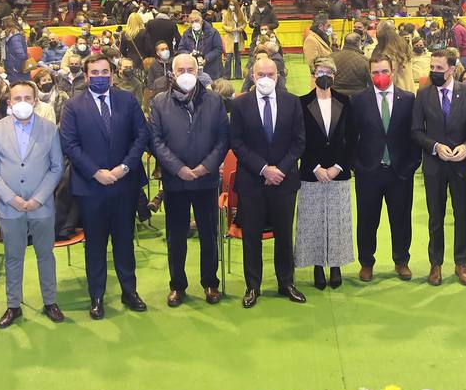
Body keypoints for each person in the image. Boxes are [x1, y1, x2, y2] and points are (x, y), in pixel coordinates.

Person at [59, 52, 150, 317]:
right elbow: (70, 145)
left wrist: (124, 167)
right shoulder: (73, 106)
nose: (100, 77)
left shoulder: (128, 100)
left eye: (104, 72)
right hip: (91, 187)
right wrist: (95, 172)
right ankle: (97, 296)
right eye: (94, 73)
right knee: (95, 245)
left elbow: (141, 135)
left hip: (125, 183)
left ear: (112, 74)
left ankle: (129, 291)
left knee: (124, 241)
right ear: (86, 77)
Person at [0, 81, 65, 328]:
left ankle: (50, 301)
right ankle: (13, 305)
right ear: (9, 103)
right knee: (13, 257)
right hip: (10, 207)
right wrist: (11, 198)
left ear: (35, 101)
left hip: (42, 206)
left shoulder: (50, 129)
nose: (22, 103)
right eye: (16, 98)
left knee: (45, 256)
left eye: (27, 98)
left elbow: (56, 167)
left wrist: (39, 198)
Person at [149, 53, 228, 307]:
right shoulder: (159, 102)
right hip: (176, 182)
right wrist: (178, 168)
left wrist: (206, 167)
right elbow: (156, 141)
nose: (185, 73)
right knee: (176, 237)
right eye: (180, 69)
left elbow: (223, 139)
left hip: (206, 182)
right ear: (172, 73)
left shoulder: (215, 100)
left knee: (209, 235)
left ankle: (210, 282)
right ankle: (177, 285)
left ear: (198, 71)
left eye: (190, 69)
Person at [229, 55, 305, 307]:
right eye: (260, 75)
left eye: (270, 75)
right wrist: (263, 169)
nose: (265, 79)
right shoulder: (240, 105)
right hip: (252, 181)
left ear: (278, 76)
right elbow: (237, 143)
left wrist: (279, 170)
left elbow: (298, 142)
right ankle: (253, 286)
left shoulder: (292, 102)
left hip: (284, 181)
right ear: (252, 76)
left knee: (284, 235)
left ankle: (286, 282)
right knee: (252, 237)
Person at [411, 49, 466, 287]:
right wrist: (435, 146)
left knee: (462, 215)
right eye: (432, 67)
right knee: (435, 216)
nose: (434, 72)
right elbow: (416, 131)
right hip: (434, 166)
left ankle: (461, 262)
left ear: (452, 69)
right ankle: (435, 263)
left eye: (439, 68)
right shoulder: (422, 95)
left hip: (461, 166)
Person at [348, 53, 418, 282]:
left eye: (384, 71)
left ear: (393, 71)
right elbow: (350, 137)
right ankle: (366, 262)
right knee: (367, 220)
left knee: (401, 219)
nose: (380, 76)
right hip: (369, 171)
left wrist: (412, 164)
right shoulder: (358, 101)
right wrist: (356, 165)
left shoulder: (408, 99)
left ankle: (401, 261)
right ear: (370, 74)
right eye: (375, 72)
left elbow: (414, 135)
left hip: (400, 172)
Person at [295, 57, 355, 290]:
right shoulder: (301, 103)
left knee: (338, 220)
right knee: (313, 220)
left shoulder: (345, 102)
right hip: (312, 173)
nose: (324, 75)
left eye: (329, 72)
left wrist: (338, 166)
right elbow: (299, 139)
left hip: (338, 172)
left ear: (334, 76)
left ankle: (336, 265)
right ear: (313, 74)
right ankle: (318, 265)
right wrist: (315, 167)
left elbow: (351, 138)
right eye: (320, 71)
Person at [178, 10, 223, 80]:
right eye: (192, 22)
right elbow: (181, 48)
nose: (194, 23)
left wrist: (206, 59)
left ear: (201, 21)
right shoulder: (186, 34)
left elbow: (218, 49)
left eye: (197, 21)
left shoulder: (213, 32)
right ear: (189, 23)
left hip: (211, 69)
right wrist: (190, 55)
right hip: (192, 70)